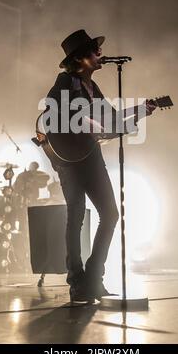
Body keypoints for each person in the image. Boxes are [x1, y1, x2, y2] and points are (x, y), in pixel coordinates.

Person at [38, 29, 156, 302]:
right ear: (80, 58)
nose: (100, 53)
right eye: (94, 50)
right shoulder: (65, 81)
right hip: (68, 158)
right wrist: (87, 123)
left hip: (90, 155)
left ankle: (93, 277)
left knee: (111, 214)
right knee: (77, 213)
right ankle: (76, 281)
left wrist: (139, 112)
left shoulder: (95, 89)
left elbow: (111, 123)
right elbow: (51, 115)